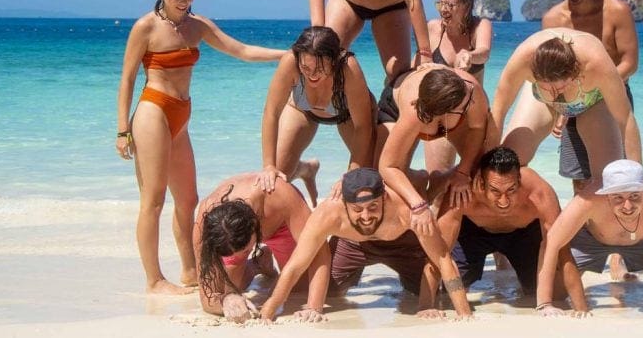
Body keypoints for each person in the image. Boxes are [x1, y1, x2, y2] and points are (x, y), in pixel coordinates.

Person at [115, 0, 285, 295]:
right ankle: (154, 280)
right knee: (153, 200)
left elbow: (241, 50)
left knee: (188, 199)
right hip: (153, 111)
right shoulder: (145, 28)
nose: (184, 0)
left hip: (182, 117)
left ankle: (190, 271)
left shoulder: (198, 26)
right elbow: (128, 78)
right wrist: (123, 129)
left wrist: (288, 54)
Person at [259, 168, 472, 321]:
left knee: (431, 292)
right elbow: (296, 264)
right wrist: (268, 311)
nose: (366, 216)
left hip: (402, 245)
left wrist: (463, 314)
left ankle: (424, 179)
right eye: (357, 210)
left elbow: (443, 259)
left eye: (373, 207)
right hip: (354, 245)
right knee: (326, 291)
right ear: (344, 204)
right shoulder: (328, 214)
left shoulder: (407, 211)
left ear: (385, 198)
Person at [543, 0, 639, 281]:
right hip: (572, 102)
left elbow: (629, 61)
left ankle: (620, 251)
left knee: (618, 176)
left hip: (612, 99)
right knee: (580, 178)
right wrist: (559, 107)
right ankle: (591, 244)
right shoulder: (553, 20)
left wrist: (599, 87)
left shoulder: (617, 11)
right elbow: (549, 71)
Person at [535, 160, 643, 319]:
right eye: (618, 197)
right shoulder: (588, 200)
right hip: (591, 240)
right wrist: (545, 304)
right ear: (605, 195)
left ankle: (627, 269)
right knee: (557, 297)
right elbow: (552, 243)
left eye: (634, 196)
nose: (627, 206)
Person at [419, 147, 587, 313]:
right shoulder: (464, 193)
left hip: (523, 233)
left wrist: (582, 309)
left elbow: (563, 252)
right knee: (448, 291)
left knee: (558, 294)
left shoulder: (539, 193)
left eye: (511, 190)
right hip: (474, 232)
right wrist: (426, 306)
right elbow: (438, 253)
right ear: (481, 184)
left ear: (519, 180)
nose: (504, 201)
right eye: (495, 191)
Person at [490, 27, 641, 193]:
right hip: (541, 102)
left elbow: (625, 120)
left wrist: (638, 179)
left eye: (559, 88)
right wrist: (483, 167)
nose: (555, 95)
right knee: (507, 165)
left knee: (608, 180)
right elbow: (498, 111)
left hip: (593, 101)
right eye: (547, 88)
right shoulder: (523, 59)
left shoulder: (596, 64)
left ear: (575, 73)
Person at [256, 26, 376, 204]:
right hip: (303, 110)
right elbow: (271, 113)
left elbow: (363, 127)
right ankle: (305, 169)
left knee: (367, 181)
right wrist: (268, 166)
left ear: (334, 61)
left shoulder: (348, 68)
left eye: (319, 69)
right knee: (276, 180)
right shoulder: (291, 61)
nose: (312, 75)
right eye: (305, 67)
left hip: (347, 116)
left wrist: (352, 174)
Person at [376, 64, 495, 237]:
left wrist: (463, 172)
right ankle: (421, 179)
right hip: (396, 109)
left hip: (443, 103)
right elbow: (387, 167)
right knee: (384, 186)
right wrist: (418, 205)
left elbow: (477, 129)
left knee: (480, 172)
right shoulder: (413, 113)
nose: (468, 105)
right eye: (464, 107)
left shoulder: (470, 90)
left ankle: (488, 233)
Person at [194, 174, 329, 323]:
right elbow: (207, 296)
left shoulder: (278, 194)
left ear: (254, 225)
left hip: (281, 226)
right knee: (229, 288)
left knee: (299, 286)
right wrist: (226, 299)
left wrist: (314, 307)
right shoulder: (207, 220)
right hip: (236, 237)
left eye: (246, 251)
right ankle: (259, 263)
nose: (244, 254)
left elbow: (320, 251)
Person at [424, 0, 493, 174]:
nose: (444, 9)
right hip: (441, 115)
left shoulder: (480, 26)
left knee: (478, 176)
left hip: (473, 118)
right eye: (440, 4)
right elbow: (421, 61)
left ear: (466, 6)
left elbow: (484, 51)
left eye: (450, 5)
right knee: (438, 176)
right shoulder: (434, 28)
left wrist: (470, 56)